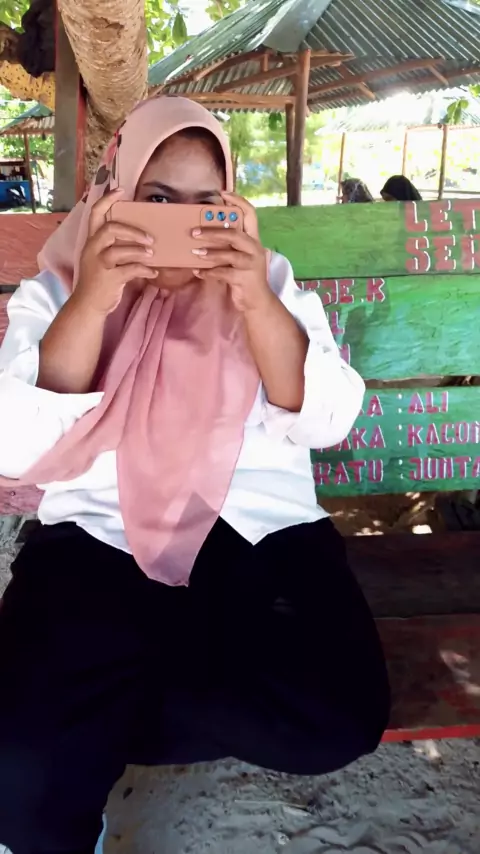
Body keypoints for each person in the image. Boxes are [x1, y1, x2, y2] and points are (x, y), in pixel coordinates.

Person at [0, 96, 390, 854]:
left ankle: (89, 718)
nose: (182, 222)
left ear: (231, 205)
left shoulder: (269, 281)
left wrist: (256, 302)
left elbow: (330, 420)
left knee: (339, 714)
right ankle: (71, 736)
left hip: (260, 536)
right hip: (99, 538)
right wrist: (94, 300)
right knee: (14, 777)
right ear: (114, 195)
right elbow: (13, 446)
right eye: (156, 200)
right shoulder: (60, 289)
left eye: (205, 203)